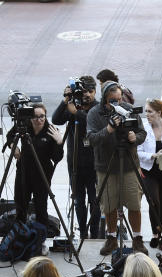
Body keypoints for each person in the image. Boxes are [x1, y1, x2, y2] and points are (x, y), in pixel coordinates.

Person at [86, 82, 148, 255]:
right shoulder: (94, 113)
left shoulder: (129, 109)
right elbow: (91, 139)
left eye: (120, 99)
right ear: (105, 99)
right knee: (109, 205)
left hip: (129, 165)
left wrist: (134, 137)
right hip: (106, 167)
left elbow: (143, 134)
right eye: (113, 100)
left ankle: (137, 239)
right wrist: (109, 129)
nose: (117, 103)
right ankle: (111, 237)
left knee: (134, 203)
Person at [53, 75, 100, 239]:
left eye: (90, 91)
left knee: (94, 201)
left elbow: (92, 124)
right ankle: (82, 232)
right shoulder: (74, 105)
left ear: (95, 92)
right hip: (75, 163)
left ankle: (95, 233)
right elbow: (56, 119)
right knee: (79, 200)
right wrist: (65, 100)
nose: (87, 94)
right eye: (84, 91)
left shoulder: (98, 108)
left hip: (95, 163)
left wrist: (77, 113)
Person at [4, 103, 64, 231]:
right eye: (35, 117)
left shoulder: (51, 130)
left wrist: (59, 142)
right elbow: (10, 136)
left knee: (41, 208)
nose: (39, 120)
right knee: (20, 206)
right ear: (30, 118)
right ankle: (18, 237)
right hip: (24, 172)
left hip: (42, 174)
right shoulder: (24, 126)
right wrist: (13, 146)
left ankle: (40, 240)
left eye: (42, 116)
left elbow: (57, 158)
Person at [137, 99, 162, 246]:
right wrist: (153, 155)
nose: (147, 114)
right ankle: (156, 233)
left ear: (159, 112)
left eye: (150, 111)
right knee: (153, 201)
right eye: (146, 111)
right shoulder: (143, 131)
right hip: (149, 170)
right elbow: (137, 152)